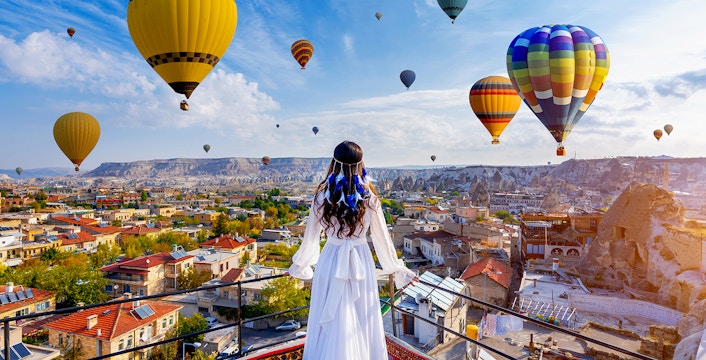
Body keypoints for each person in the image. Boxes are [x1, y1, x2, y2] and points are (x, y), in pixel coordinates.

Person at [289, 140, 417, 360]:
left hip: (330, 261)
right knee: (362, 318)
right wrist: (397, 270)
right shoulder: (370, 200)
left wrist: (299, 265)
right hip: (361, 262)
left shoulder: (321, 198)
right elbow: (382, 241)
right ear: (361, 165)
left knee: (329, 318)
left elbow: (310, 238)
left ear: (334, 164)